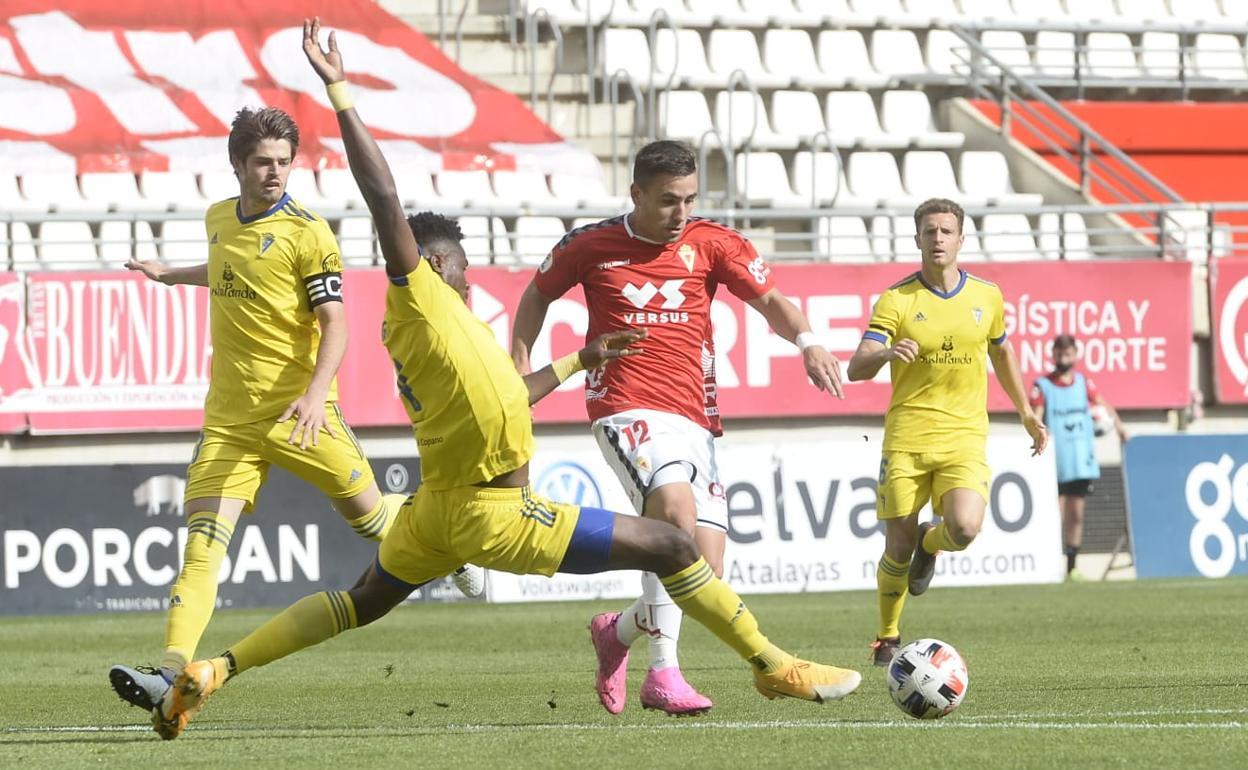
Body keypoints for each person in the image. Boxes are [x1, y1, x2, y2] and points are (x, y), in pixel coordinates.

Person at [147, 20, 861, 741]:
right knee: (674, 545)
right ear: (435, 266)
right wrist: (338, 90)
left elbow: (507, 396)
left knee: (360, 598)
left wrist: (583, 358)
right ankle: (771, 664)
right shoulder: (421, 297)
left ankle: (213, 671)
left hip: (434, 513)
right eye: (455, 264)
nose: (465, 273)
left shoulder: (447, 331)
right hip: (501, 516)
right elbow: (384, 198)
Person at [107, 103, 483, 714]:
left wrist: (314, 396)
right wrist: (172, 276)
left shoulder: (309, 233)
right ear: (237, 165)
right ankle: (169, 674)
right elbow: (233, 269)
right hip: (229, 420)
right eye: (262, 162)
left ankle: (450, 550)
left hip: (300, 415)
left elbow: (336, 323)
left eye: (283, 162)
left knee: (375, 525)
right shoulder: (218, 218)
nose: (274, 172)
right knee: (202, 546)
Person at [510, 140, 845, 715]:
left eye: (690, 199)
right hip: (625, 404)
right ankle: (663, 676)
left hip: (695, 416)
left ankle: (616, 633)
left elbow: (772, 301)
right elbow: (536, 296)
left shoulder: (713, 242)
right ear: (636, 193)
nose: (681, 213)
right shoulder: (591, 245)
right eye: (669, 201)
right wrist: (519, 372)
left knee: (702, 573)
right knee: (675, 517)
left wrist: (809, 342)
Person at [846, 198, 1048, 667]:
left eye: (946, 231)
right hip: (907, 441)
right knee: (895, 546)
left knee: (964, 527)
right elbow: (856, 366)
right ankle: (887, 635)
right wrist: (886, 353)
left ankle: (929, 544)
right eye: (929, 231)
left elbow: (1001, 354)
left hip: (963, 437)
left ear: (961, 239)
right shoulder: (897, 300)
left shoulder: (987, 296)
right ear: (917, 239)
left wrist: (1025, 412)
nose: (937, 238)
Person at [1029, 334, 1128, 581]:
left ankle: (1072, 566)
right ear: (1053, 355)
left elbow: (1103, 405)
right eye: (1060, 354)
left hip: (1080, 460)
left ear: (1075, 354)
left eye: (1068, 354)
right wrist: (1037, 433)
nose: (1064, 358)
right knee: (1056, 515)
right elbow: (1037, 415)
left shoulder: (1084, 383)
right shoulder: (1042, 386)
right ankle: (1049, 563)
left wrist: (1119, 426)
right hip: (1055, 461)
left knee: (1076, 514)